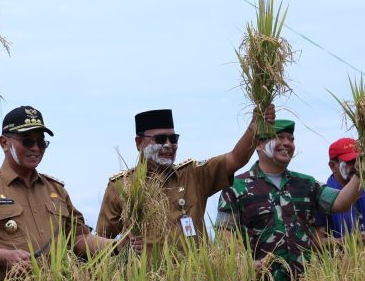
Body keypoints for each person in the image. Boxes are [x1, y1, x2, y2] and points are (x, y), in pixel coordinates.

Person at [215, 120, 365, 281]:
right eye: (279, 137)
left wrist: (361, 172)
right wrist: (245, 264)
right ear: (258, 145)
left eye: (291, 139)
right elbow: (225, 233)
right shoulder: (236, 187)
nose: (287, 143)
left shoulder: (306, 184)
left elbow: (341, 202)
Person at [0, 106, 116, 273]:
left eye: (41, 142)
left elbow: (78, 237)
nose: (36, 148)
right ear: (4, 143)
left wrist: (117, 245)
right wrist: (5, 256)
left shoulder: (56, 190)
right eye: (27, 141)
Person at [96, 105, 275, 249]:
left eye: (173, 139)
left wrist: (254, 127)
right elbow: (101, 241)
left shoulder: (193, 175)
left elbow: (235, 159)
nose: (168, 145)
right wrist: (122, 247)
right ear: (139, 143)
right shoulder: (121, 186)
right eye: (160, 139)